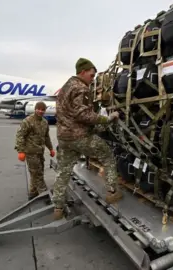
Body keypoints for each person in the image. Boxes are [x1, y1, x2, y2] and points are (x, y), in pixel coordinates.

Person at [52, 57, 121, 220]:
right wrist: (107, 119)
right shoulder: (81, 88)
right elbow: (83, 114)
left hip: (64, 137)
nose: (92, 79)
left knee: (63, 171)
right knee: (108, 156)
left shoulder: (66, 87)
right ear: (82, 72)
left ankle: (58, 207)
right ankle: (112, 192)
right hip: (80, 137)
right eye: (91, 75)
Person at [15, 101, 56, 200]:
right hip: (30, 152)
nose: (40, 111)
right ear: (35, 109)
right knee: (37, 174)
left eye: (43, 110)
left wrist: (50, 148)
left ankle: (33, 192)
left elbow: (46, 137)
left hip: (39, 152)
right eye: (38, 109)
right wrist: (20, 151)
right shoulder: (28, 121)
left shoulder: (44, 122)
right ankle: (44, 194)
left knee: (37, 172)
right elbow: (20, 136)